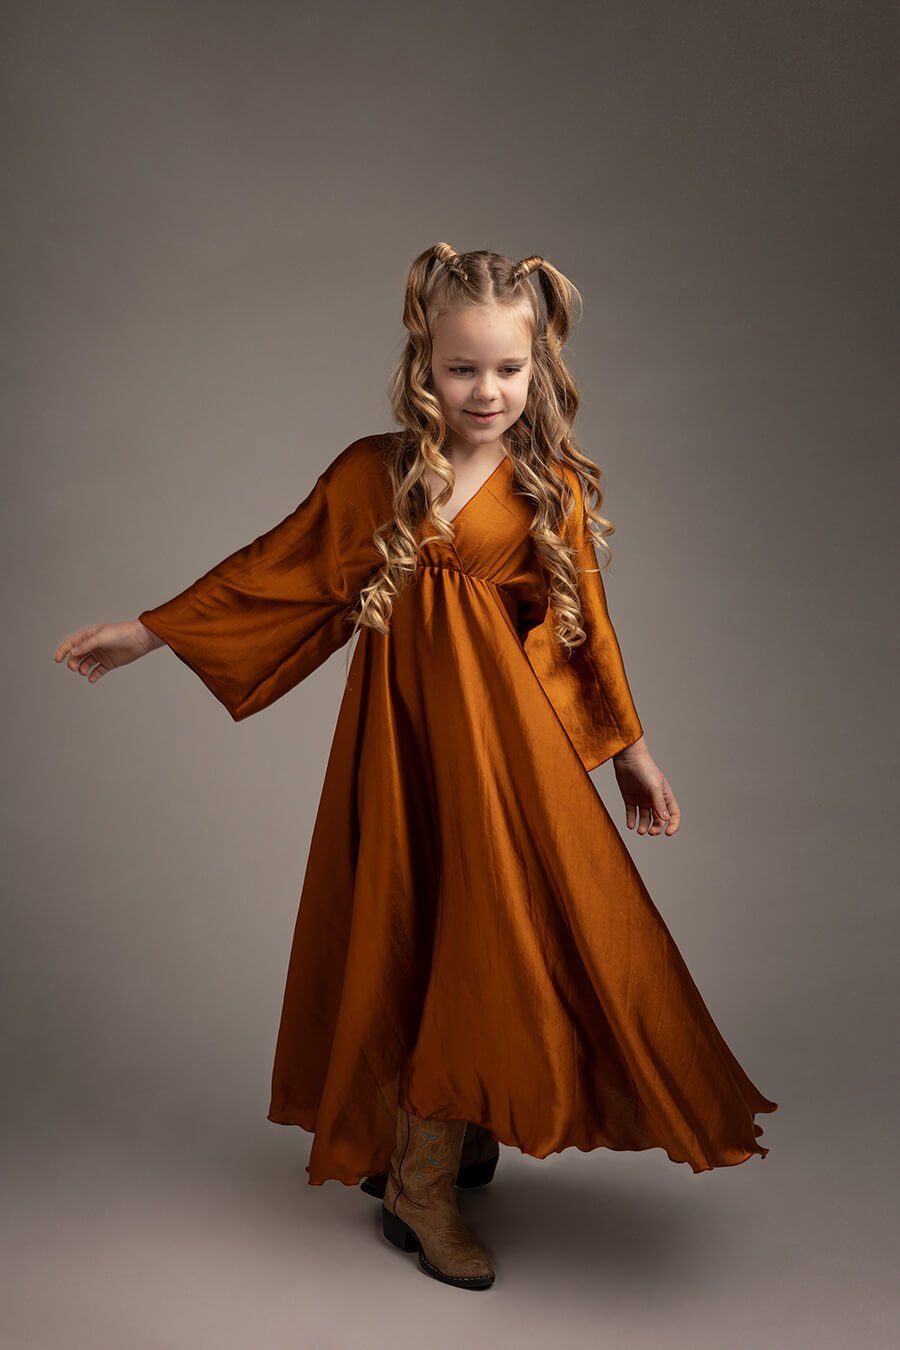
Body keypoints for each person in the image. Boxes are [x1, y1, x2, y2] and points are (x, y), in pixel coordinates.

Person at [53, 242, 778, 1292]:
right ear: (422, 365)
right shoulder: (375, 473)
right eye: (462, 369)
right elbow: (280, 569)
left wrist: (632, 756)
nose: (487, 392)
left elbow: (583, 639)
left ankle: (442, 1140)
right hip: (400, 752)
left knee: (493, 935)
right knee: (414, 928)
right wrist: (150, 631)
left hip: (508, 760)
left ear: (540, 370)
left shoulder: (550, 487)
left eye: (508, 370)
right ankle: (422, 1180)